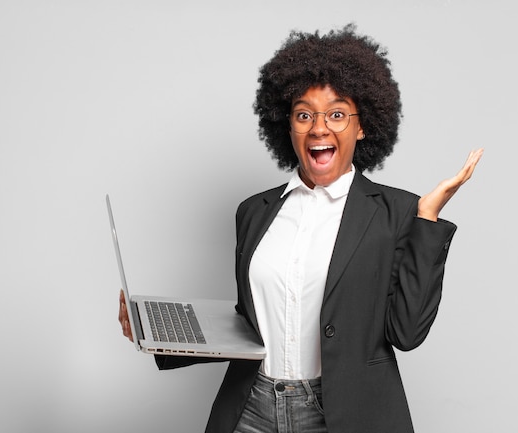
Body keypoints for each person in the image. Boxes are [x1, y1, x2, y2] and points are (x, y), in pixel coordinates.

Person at [118, 24, 483, 433]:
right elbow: (250, 323)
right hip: (251, 407)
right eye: (304, 114)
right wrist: (157, 334)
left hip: (342, 415)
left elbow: (407, 332)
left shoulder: (397, 212)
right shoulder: (253, 212)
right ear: (287, 125)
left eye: (337, 114)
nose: (319, 127)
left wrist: (427, 220)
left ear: (363, 127)